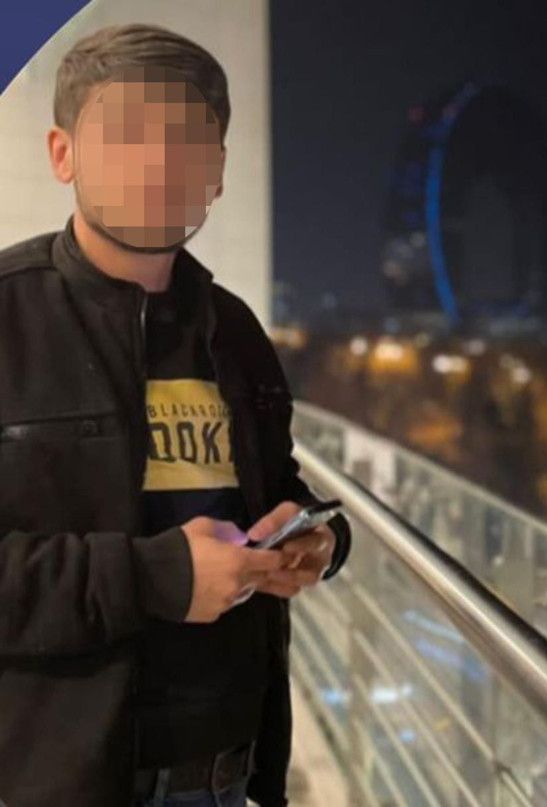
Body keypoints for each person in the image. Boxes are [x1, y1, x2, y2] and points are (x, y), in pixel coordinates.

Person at [0, 22, 351, 807]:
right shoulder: (8, 319)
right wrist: (157, 577)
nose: (157, 163)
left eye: (187, 140)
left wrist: (318, 539)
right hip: (54, 780)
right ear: (62, 154)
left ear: (217, 171)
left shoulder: (235, 331)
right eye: (125, 135)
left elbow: (274, 484)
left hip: (227, 774)